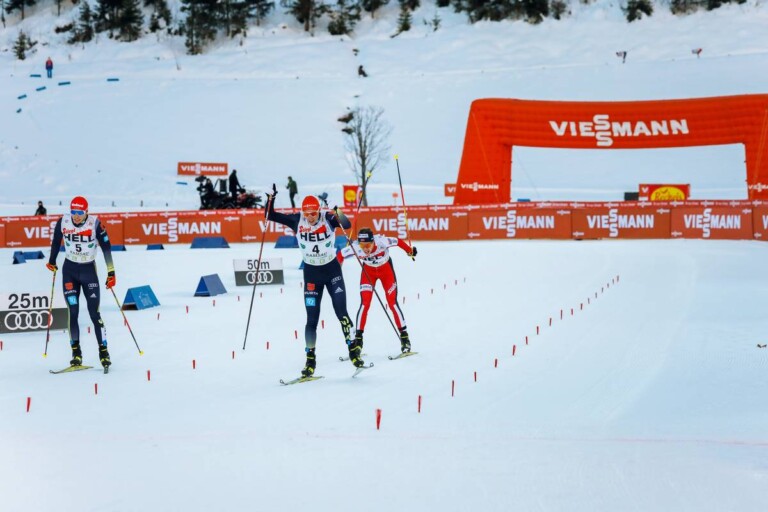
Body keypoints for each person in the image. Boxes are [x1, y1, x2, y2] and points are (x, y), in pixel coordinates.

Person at [265, 185, 360, 377]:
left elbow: (347, 225)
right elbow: (270, 216)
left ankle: (353, 350)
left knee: (341, 312)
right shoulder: (296, 220)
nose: (310, 217)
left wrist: (336, 209)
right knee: (311, 319)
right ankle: (310, 360)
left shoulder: (328, 218)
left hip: (332, 271)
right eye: (307, 214)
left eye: (314, 213)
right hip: (311, 276)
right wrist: (271, 198)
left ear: (318, 211)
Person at [46, 196, 115, 370]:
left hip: (88, 272)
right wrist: (52, 261)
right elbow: (56, 242)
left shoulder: (95, 224)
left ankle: (103, 352)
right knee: (73, 312)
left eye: (80, 213)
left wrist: (111, 271)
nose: (76, 216)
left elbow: (106, 247)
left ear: (86, 212)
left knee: (94, 313)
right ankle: (76, 354)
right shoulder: (63, 221)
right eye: (74, 212)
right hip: (69, 272)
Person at [337, 227, 416, 354]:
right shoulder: (356, 247)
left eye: (368, 244)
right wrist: (337, 268)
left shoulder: (382, 241)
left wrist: (410, 251)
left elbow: (398, 241)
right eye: (362, 245)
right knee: (365, 304)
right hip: (368, 273)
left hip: (386, 271)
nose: (365, 248)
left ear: (373, 241)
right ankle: (358, 341)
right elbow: (340, 255)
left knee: (392, 303)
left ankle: (405, 338)